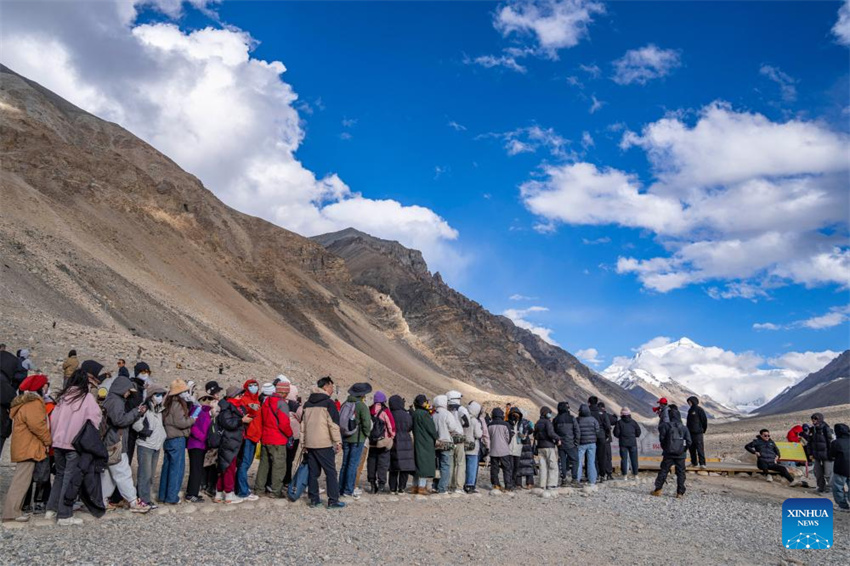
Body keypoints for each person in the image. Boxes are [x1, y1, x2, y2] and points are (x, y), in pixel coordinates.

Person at [46, 368, 106, 525]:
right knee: (69, 478)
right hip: (74, 445)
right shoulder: (86, 398)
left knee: (59, 476)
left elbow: (52, 419)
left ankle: (51, 509)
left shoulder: (63, 397)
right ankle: (64, 515)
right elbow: (95, 419)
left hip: (58, 443)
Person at [2, 374, 51, 522]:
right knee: (21, 480)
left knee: (22, 479)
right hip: (28, 447)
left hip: (24, 446)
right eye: (44, 385)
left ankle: (14, 510)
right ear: (39, 387)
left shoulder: (25, 403)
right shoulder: (34, 404)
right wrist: (48, 440)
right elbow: (38, 426)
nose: (45, 387)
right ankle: (11, 512)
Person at [100, 374, 150, 512]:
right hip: (115, 442)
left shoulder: (110, 399)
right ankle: (134, 501)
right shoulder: (116, 401)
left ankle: (102, 500)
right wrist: (136, 412)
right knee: (123, 473)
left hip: (110, 441)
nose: (128, 394)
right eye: (128, 391)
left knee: (110, 475)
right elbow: (120, 421)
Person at [302, 376, 344, 508]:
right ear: (325, 387)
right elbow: (333, 425)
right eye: (331, 387)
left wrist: (303, 444)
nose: (332, 390)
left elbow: (303, 425)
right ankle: (333, 500)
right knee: (331, 472)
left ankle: (314, 500)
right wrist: (338, 442)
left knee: (313, 472)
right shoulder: (328, 403)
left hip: (310, 443)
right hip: (323, 443)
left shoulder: (307, 403)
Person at [159, 379, 196, 505]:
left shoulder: (167, 404)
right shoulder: (179, 405)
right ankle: (172, 497)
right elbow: (180, 423)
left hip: (167, 438)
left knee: (167, 468)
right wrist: (192, 419)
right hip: (177, 438)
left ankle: (163, 495)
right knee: (177, 469)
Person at [254, 379, 293, 498]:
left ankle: (259, 489)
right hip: (278, 439)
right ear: (285, 392)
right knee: (279, 465)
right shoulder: (282, 403)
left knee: (264, 464)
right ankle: (276, 491)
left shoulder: (267, 401)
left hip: (266, 437)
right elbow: (284, 424)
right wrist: (289, 434)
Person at [214, 386, 251, 504]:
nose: (241, 397)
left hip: (234, 440)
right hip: (229, 441)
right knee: (229, 468)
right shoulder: (227, 408)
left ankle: (219, 493)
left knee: (224, 467)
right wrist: (242, 421)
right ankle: (229, 494)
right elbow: (228, 423)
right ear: (233, 396)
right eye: (239, 395)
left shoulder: (236, 407)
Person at [132, 385, 166, 508]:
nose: (160, 397)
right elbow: (136, 423)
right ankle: (144, 500)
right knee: (144, 474)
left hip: (156, 445)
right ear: (151, 396)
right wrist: (146, 432)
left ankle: (142, 497)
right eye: (157, 395)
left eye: (162, 395)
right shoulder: (145, 408)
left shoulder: (159, 409)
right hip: (146, 445)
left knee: (150, 474)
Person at [339, 382, 372, 498]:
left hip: (345, 438)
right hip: (358, 439)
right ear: (362, 394)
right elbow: (367, 423)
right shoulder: (361, 406)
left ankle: (341, 488)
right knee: (353, 464)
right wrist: (367, 434)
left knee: (344, 463)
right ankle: (348, 490)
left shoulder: (345, 403)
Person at [652, 404, 692, 498]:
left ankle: (658, 490)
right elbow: (689, 441)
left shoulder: (666, 426)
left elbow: (661, 439)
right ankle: (680, 493)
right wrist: (683, 450)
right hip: (680, 455)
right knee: (681, 473)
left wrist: (666, 448)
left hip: (668, 454)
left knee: (664, 471)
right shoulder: (684, 427)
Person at [235, 379, 262, 501]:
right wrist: (248, 407)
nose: (253, 387)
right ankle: (243, 491)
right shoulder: (244, 400)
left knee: (246, 463)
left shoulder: (256, 400)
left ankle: (240, 487)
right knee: (244, 464)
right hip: (248, 436)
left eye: (255, 385)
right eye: (250, 385)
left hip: (254, 436)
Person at [431, 394, 462, 493]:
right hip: (446, 443)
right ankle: (442, 488)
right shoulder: (447, 414)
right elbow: (453, 427)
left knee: (437, 465)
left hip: (436, 443)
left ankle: (435, 486)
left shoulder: (433, 415)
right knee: (445, 465)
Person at [367, 391, 396, 494]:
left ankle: (372, 484)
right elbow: (391, 425)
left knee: (371, 462)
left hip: (371, 442)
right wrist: (392, 436)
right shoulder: (385, 411)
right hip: (383, 441)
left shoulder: (369, 410)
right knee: (382, 464)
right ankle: (381, 486)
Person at [187, 394, 214, 501]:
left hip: (201, 445)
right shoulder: (197, 410)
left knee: (198, 470)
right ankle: (191, 494)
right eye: (208, 399)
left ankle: (194, 492)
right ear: (201, 399)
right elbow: (192, 426)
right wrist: (203, 438)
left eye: (210, 399)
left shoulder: (206, 412)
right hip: (196, 444)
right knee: (195, 469)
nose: (209, 401)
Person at [388, 394, 414, 494]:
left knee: (393, 467)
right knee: (405, 467)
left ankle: (392, 488)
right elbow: (410, 426)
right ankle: (402, 488)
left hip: (393, 440)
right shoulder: (407, 415)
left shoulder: (390, 414)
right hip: (406, 441)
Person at [412, 394, 438, 495]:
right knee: (424, 465)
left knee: (417, 464)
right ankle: (422, 488)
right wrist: (436, 437)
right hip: (426, 442)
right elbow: (431, 428)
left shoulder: (415, 413)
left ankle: (414, 486)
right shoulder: (424, 414)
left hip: (417, 440)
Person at [446, 390, 469, 494]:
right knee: (460, 463)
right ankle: (459, 487)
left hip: (449, 438)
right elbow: (466, 423)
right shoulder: (461, 409)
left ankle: (450, 485)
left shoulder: (446, 409)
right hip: (459, 438)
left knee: (451, 463)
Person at [806, 413, 835, 493]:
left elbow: (831, 442)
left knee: (828, 473)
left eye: (815, 418)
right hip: (816, 455)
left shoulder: (826, 429)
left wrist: (832, 454)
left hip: (827, 455)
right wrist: (810, 454)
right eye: (812, 419)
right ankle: (821, 487)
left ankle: (830, 489)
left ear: (820, 419)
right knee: (817, 472)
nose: (813, 420)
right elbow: (809, 443)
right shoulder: (812, 430)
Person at [553, 402, 580, 487]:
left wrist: (556, 441)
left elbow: (553, 432)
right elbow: (577, 431)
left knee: (562, 461)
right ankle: (574, 479)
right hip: (571, 444)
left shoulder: (555, 419)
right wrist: (576, 442)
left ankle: (563, 480)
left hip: (560, 444)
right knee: (575, 460)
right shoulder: (572, 418)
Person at [534, 406, 561, 490]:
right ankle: (551, 484)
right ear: (546, 413)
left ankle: (542, 484)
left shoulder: (538, 422)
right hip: (549, 446)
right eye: (549, 413)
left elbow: (535, 435)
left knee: (542, 466)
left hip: (540, 447)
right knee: (552, 465)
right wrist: (558, 438)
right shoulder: (547, 422)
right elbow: (550, 433)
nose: (550, 414)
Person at [487, 407, 514, 491]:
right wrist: (505, 444)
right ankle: (508, 486)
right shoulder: (506, 424)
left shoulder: (489, 425)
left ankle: (496, 484)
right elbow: (508, 437)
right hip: (504, 450)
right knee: (506, 469)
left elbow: (487, 437)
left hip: (493, 450)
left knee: (494, 469)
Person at [588, 396, 612, 482]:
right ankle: (602, 475)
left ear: (589, 403)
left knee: (591, 456)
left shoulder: (587, 411)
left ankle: (593, 475)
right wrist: (607, 435)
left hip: (590, 436)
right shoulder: (602, 412)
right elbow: (608, 426)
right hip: (601, 436)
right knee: (602, 456)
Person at [283, 384, 302, 489]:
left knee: (282, 458)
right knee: (289, 459)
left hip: (282, 435)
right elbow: (301, 417)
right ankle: (287, 480)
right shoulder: (295, 405)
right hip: (293, 436)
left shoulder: (281, 403)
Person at [463, 401, 485, 493]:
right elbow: (479, 434)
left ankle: (462, 484)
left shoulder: (463, 419)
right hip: (473, 447)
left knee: (463, 467)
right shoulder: (475, 421)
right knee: (472, 467)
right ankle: (470, 485)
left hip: (463, 445)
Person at [613, 407, 641, 478]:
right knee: (634, 459)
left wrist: (620, 437)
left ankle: (625, 475)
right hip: (633, 443)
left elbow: (616, 433)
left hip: (623, 443)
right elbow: (638, 432)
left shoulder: (619, 423)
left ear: (621, 414)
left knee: (624, 459)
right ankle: (635, 474)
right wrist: (634, 436)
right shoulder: (633, 422)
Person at [576, 404, 599, 486]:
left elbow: (576, 430)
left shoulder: (578, 420)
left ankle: (577, 479)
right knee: (591, 462)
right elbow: (597, 430)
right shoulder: (593, 419)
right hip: (592, 443)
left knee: (578, 462)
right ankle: (592, 480)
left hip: (581, 443)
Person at [829, 423, 849, 512]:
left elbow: (831, 455)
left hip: (841, 468)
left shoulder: (836, 442)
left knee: (838, 487)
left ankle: (843, 505)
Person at [686, 396, 708, 469]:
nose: (689, 403)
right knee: (691, 448)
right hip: (690, 432)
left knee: (699, 448)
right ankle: (694, 462)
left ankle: (702, 463)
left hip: (698, 433)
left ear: (693, 401)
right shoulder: (689, 410)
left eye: (689, 402)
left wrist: (703, 430)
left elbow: (704, 420)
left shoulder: (699, 410)